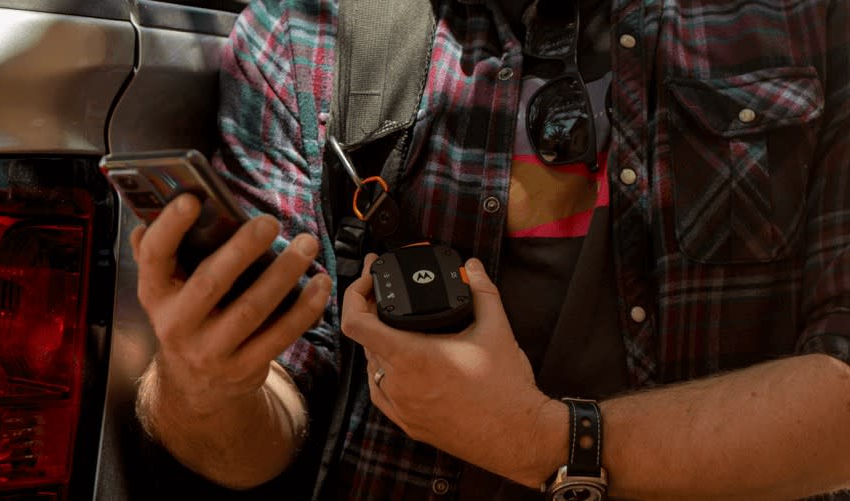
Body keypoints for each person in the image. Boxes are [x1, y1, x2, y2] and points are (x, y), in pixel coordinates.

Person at [129, 0, 850, 499]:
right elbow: (264, 430)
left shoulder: (810, 22)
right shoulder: (303, 33)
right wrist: (201, 385)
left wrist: (545, 442)